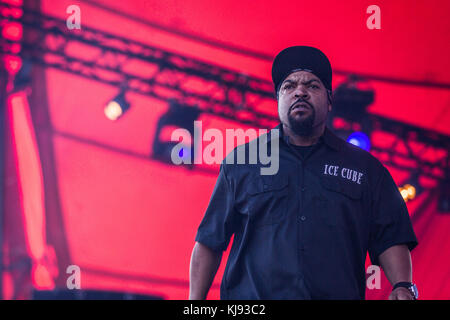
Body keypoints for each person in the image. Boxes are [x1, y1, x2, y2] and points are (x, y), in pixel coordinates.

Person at [189, 46, 418, 300]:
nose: (300, 91)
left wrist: (402, 285)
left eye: (312, 86)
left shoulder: (366, 169)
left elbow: (390, 236)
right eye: (289, 86)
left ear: (330, 101)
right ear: (278, 101)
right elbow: (210, 241)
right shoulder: (242, 161)